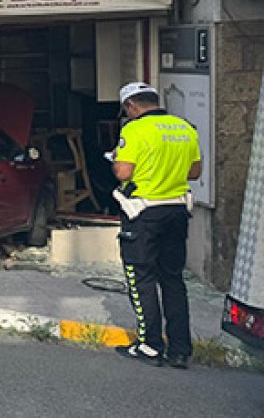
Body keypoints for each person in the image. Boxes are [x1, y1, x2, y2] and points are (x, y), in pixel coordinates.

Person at [110, 81, 202, 369]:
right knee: (173, 279)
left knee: (141, 278)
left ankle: (150, 345)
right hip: (176, 211)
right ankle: (180, 349)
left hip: (143, 213)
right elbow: (195, 171)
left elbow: (124, 171)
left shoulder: (134, 130)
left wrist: (115, 162)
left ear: (131, 106)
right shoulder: (184, 128)